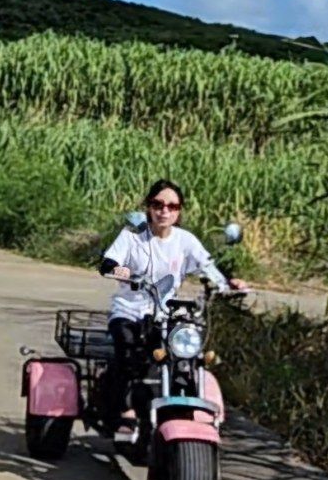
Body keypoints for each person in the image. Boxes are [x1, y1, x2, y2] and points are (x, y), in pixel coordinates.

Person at [99, 179, 246, 439]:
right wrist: (128, 273)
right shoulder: (132, 236)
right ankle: (124, 412)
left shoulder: (185, 240)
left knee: (185, 356)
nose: (164, 211)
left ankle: (181, 408)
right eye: (158, 204)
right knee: (128, 351)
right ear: (148, 207)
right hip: (130, 311)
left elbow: (208, 266)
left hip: (165, 315)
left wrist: (228, 283)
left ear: (179, 211)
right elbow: (108, 264)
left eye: (172, 206)